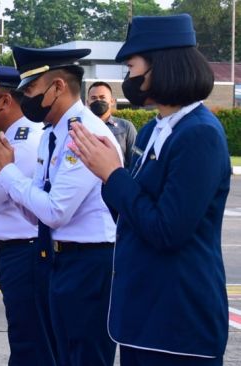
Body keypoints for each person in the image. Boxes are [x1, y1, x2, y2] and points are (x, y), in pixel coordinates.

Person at [68, 14, 229, 365]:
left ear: (162, 65)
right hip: (146, 317)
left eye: (132, 66)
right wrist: (106, 173)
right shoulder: (157, 129)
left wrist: (114, 175)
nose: (129, 77)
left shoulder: (198, 134)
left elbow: (166, 229)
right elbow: (133, 217)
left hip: (176, 323)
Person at [0, 46, 122, 366]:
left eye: (30, 89)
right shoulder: (51, 133)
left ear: (57, 87)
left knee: (85, 356)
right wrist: (19, 187)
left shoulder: (84, 132)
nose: (25, 97)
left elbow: (55, 210)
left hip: (90, 262)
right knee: (62, 353)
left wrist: (6, 171)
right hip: (60, 258)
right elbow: (38, 211)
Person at [0, 58, 52, 365]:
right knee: (28, 336)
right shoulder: (14, 137)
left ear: (5, 100)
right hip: (19, 251)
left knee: (29, 341)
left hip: (26, 253)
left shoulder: (25, 142)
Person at [87, 81, 137, 168]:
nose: (98, 101)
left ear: (112, 101)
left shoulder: (126, 127)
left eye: (102, 97)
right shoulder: (81, 127)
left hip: (118, 179)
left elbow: (135, 161)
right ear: (87, 103)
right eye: (94, 98)